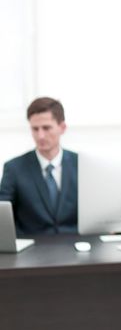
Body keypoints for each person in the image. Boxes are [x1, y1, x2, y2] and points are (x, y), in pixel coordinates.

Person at [0, 97, 78, 235]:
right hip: (31, 249)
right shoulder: (14, 168)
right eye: (35, 129)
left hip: (76, 246)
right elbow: (3, 213)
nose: (40, 135)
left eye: (46, 128)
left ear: (62, 128)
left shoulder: (81, 164)